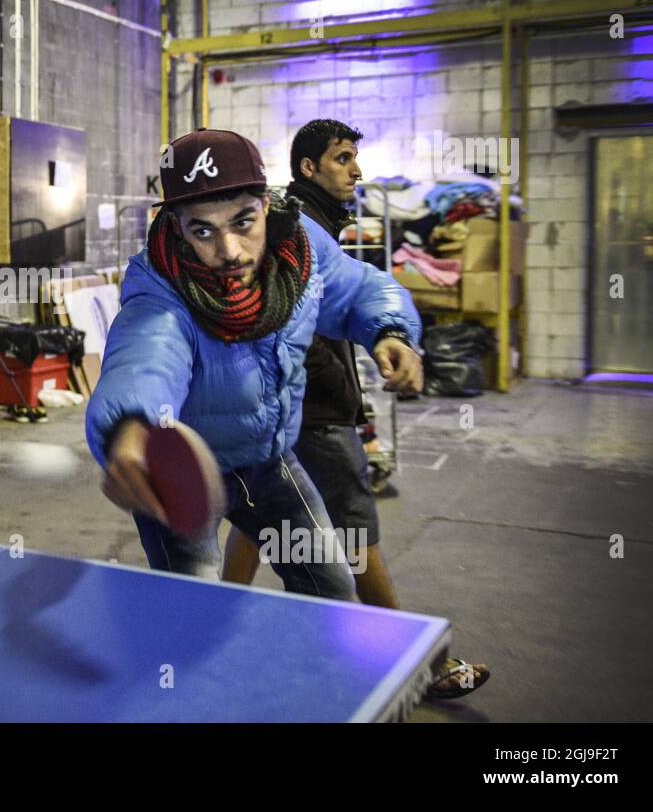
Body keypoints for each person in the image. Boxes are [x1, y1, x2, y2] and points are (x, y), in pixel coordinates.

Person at [87, 128, 422, 601]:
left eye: (243, 222)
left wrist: (390, 329)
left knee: (331, 586)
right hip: (177, 474)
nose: (229, 251)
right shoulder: (160, 291)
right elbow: (146, 356)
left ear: (267, 205)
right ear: (177, 227)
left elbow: (358, 287)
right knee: (194, 608)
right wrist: (130, 427)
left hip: (268, 456)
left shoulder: (302, 251)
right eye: (203, 229)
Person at [221, 118, 490, 698]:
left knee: (259, 515)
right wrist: (344, 406)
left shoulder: (315, 225)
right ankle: (423, 666)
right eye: (343, 158)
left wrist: (385, 335)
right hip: (314, 411)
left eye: (354, 158)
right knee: (352, 527)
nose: (357, 171)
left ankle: (212, 627)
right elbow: (295, 333)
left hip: (301, 407)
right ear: (309, 168)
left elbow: (346, 303)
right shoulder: (293, 227)